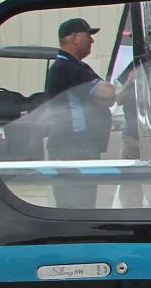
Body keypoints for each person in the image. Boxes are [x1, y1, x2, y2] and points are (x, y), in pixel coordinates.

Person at [43, 16, 118, 208]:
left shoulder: (76, 67)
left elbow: (110, 99)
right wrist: (105, 95)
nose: (92, 40)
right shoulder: (67, 67)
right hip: (72, 148)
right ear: (75, 37)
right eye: (88, 35)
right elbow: (107, 92)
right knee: (76, 205)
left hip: (79, 148)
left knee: (82, 203)